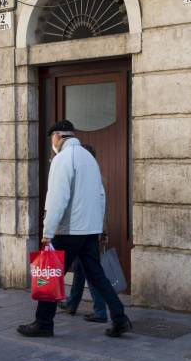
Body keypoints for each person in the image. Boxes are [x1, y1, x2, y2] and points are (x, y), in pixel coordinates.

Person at [18, 120, 131, 338]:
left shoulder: (62, 159)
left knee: (51, 276)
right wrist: (97, 227)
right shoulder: (88, 158)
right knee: (98, 276)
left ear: (58, 136)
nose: (53, 142)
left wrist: (47, 232)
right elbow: (101, 196)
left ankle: (43, 323)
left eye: (52, 138)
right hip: (89, 230)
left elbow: (57, 199)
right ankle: (119, 317)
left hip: (69, 231)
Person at [57, 144, 108, 323]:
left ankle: (101, 310)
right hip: (89, 231)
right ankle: (72, 302)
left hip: (84, 232)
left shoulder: (93, 178)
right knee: (80, 270)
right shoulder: (94, 175)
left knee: (91, 272)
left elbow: (100, 207)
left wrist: (101, 231)